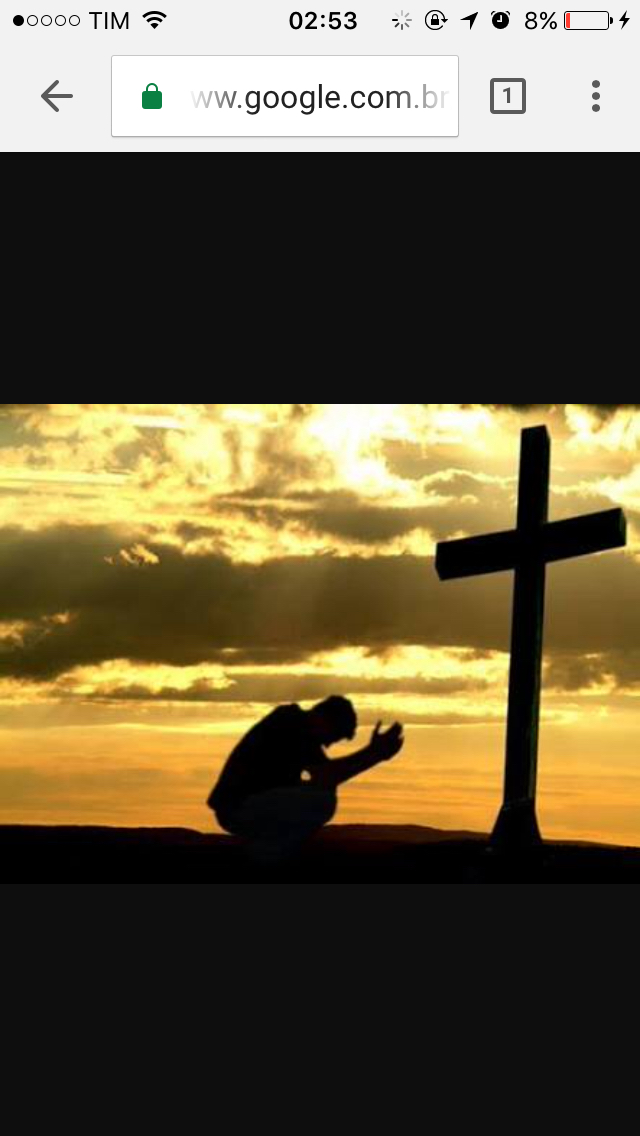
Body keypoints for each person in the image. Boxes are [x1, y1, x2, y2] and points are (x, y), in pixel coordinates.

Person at [207, 696, 404, 862]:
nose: (329, 744)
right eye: (335, 735)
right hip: (238, 808)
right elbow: (327, 775)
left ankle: (270, 850)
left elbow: (326, 776)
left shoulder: (293, 724)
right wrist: (374, 754)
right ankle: (267, 854)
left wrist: (374, 754)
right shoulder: (292, 723)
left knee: (319, 795)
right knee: (321, 800)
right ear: (324, 719)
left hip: (242, 806)